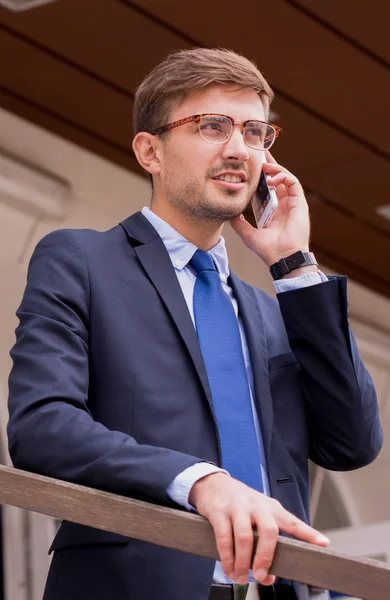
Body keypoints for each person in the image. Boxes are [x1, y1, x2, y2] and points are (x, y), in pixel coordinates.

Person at [7, 48, 382, 600]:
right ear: (149, 151)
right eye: (212, 126)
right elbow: (42, 427)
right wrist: (198, 481)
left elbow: (352, 444)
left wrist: (295, 268)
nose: (239, 150)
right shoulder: (82, 262)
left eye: (256, 133)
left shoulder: (276, 312)